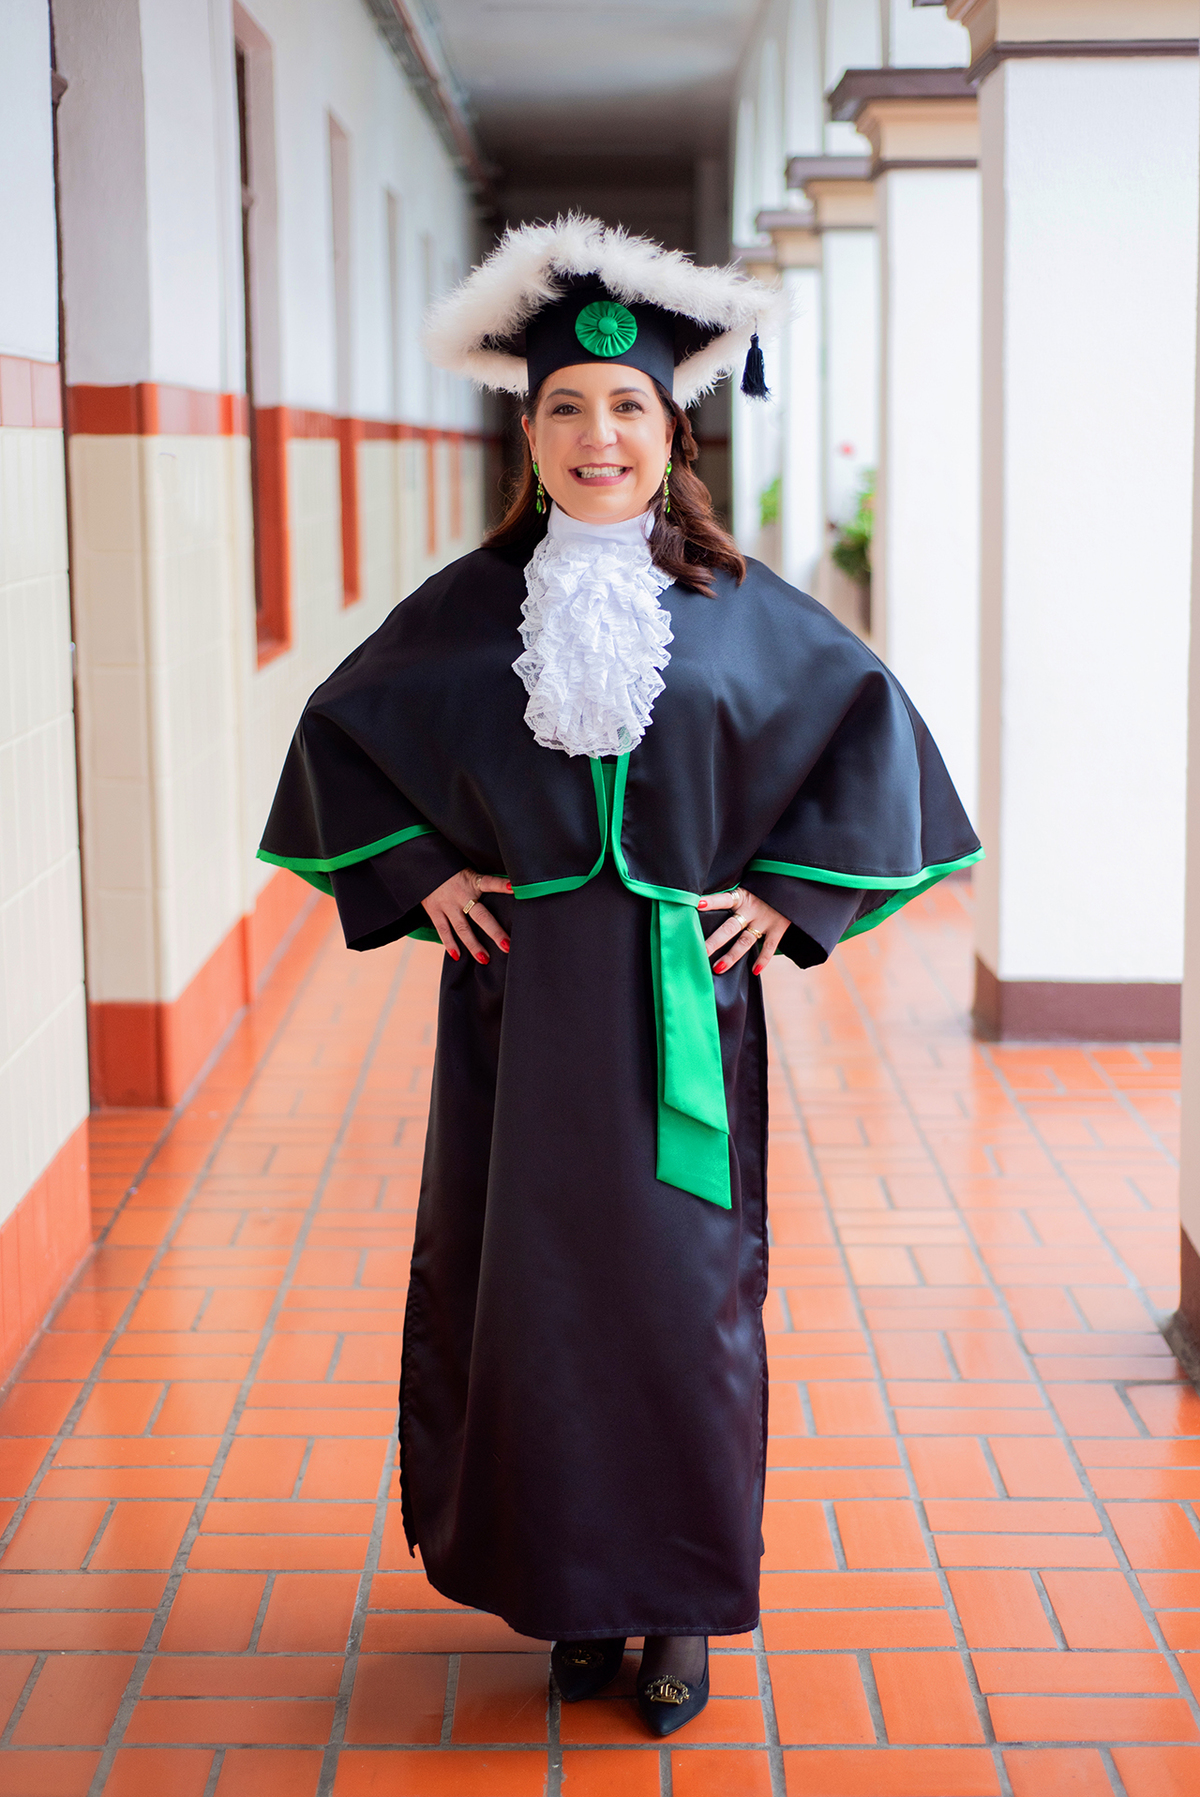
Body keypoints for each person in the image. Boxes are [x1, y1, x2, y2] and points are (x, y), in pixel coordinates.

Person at [259, 215, 980, 1735]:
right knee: (530, 1299)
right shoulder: (468, 611)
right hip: (516, 1024)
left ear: (673, 430)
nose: (600, 435)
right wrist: (420, 872)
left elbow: (871, 733)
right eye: (568, 408)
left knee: (681, 1302)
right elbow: (341, 733)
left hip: (678, 1019)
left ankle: (679, 1602)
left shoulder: (742, 607)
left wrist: (786, 893)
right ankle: (570, 1594)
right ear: (529, 434)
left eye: (629, 407)